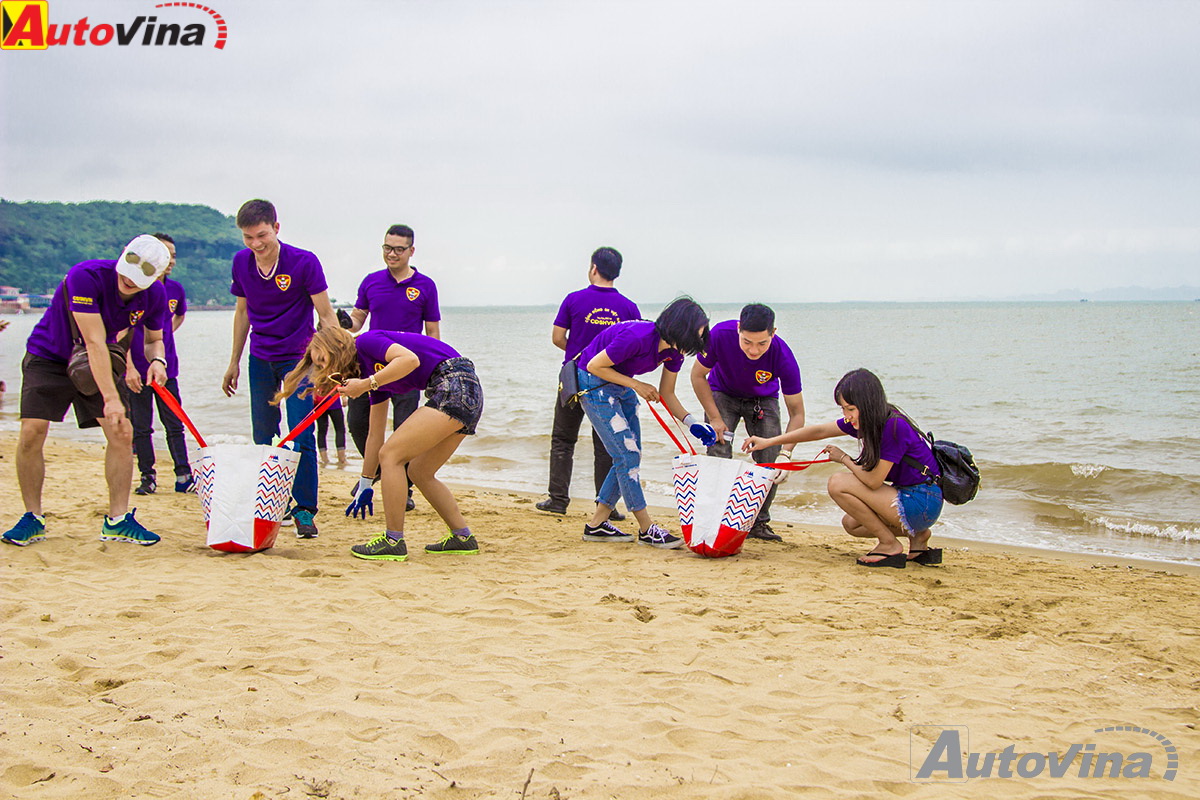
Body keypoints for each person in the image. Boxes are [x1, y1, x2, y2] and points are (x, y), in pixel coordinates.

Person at [3, 235, 171, 547]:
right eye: (125, 272)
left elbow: (153, 339)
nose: (127, 281)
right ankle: (32, 517)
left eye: (137, 281)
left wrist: (157, 360)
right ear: (122, 256)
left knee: (121, 433)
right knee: (32, 432)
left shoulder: (155, 295)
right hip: (49, 356)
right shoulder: (86, 276)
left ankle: (118, 520)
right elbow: (93, 341)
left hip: (99, 360)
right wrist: (110, 399)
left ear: (156, 278)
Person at [274, 326, 483, 561]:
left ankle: (393, 540)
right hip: (465, 392)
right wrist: (365, 482)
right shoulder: (373, 378)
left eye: (323, 360)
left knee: (392, 456)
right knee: (419, 471)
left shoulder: (366, 342)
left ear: (336, 346)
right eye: (320, 367)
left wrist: (365, 384)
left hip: (455, 383)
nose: (325, 368)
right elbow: (375, 433)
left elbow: (410, 360)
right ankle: (462, 537)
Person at [743, 368, 945, 568]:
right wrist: (769, 442)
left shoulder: (893, 426)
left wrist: (844, 459)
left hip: (923, 500)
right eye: (843, 409)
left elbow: (873, 482)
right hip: (911, 497)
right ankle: (917, 535)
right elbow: (820, 431)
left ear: (867, 404)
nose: (847, 415)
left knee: (838, 482)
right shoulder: (870, 420)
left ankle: (889, 544)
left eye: (850, 409)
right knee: (852, 524)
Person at [221, 199, 339, 539]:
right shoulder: (241, 263)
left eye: (261, 235)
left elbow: (326, 315)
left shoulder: (303, 262)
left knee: (301, 433)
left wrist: (331, 363)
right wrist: (233, 361)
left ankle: (304, 509)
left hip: (300, 359)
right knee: (263, 437)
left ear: (276, 227)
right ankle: (275, 503)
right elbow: (242, 313)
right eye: (248, 238)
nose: (256, 244)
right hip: (260, 357)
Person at [575, 297, 715, 549]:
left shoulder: (675, 354)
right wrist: (638, 385)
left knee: (631, 456)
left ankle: (596, 525)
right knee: (626, 456)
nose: (690, 348)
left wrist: (691, 422)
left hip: (621, 382)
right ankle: (646, 528)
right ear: (680, 329)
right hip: (592, 382)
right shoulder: (638, 336)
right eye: (694, 339)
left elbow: (667, 393)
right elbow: (595, 365)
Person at [537, 246, 641, 520]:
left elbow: (558, 337)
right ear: (617, 272)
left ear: (593, 268)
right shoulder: (629, 306)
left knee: (563, 439)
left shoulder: (573, 300)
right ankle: (605, 506)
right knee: (608, 444)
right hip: (609, 382)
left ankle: (558, 499)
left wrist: (577, 351)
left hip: (574, 376)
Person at [690, 303, 805, 542]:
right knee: (718, 452)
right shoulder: (720, 335)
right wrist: (714, 418)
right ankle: (718, 518)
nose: (754, 350)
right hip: (722, 393)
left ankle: (758, 523)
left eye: (762, 343)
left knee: (770, 460)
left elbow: (797, 414)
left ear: (773, 333)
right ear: (739, 329)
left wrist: (786, 454)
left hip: (762, 399)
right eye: (747, 342)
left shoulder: (783, 355)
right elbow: (697, 375)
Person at [346, 224, 441, 511]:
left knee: (404, 430)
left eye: (399, 249)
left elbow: (433, 332)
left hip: (408, 370)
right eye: (387, 247)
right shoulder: (371, 282)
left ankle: (405, 489)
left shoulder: (425, 286)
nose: (392, 254)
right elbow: (357, 321)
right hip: (372, 365)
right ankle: (374, 469)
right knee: (358, 422)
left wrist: (433, 373)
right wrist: (343, 324)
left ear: (411, 251)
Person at [124, 233, 195, 495]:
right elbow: (123, 332)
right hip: (136, 370)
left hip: (167, 367)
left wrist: (163, 339)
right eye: (166, 254)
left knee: (174, 423)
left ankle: (183, 475)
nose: (171, 260)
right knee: (142, 426)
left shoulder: (175, 289)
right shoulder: (134, 288)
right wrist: (129, 366)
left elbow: (179, 316)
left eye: (174, 255)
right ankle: (147, 476)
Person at [316, 395, 348, 467]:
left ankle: (324, 459)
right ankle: (342, 459)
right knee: (340, 429)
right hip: (333, 400)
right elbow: (341, 384)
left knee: (322, 431)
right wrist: (344, 397)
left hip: (319, 401)